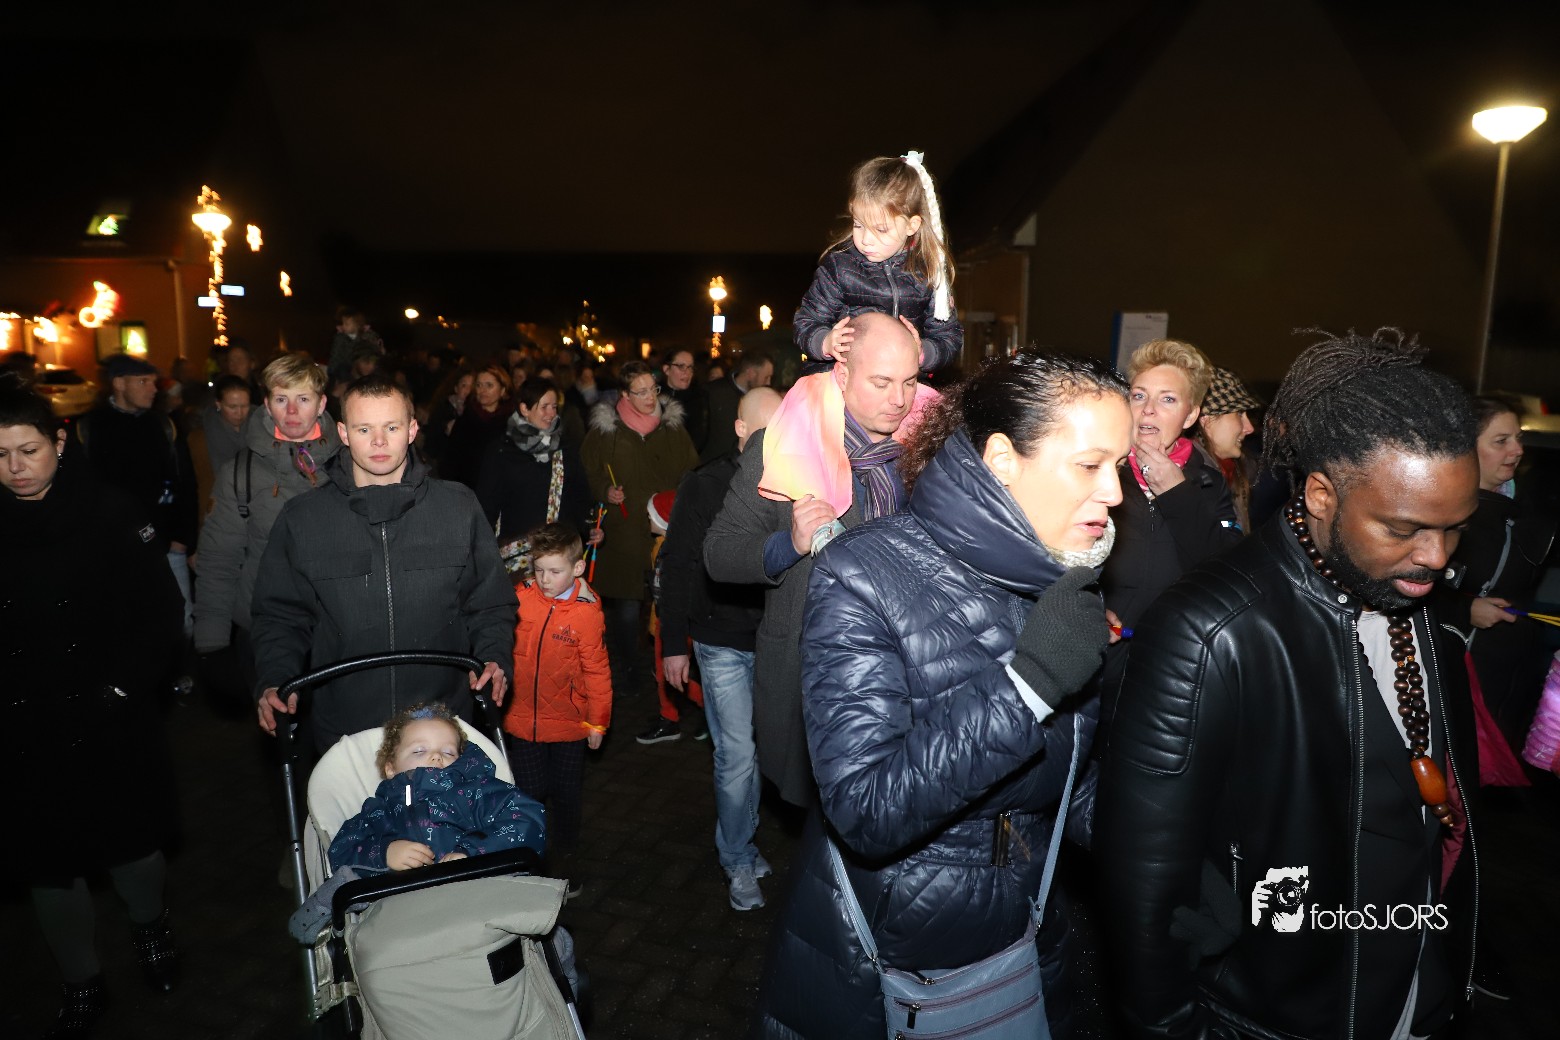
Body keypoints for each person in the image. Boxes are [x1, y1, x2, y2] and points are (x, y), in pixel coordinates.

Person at [1097, 329, 1482, 1040]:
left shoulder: (1413, 594)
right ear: (1321, 494)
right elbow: (1146, 882)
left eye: (1456, 529)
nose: (1436, 557)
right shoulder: (1211, 630)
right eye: (1404, 528)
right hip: (1270, 1016)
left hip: (1412, 990)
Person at [753, 351, 1131, 1037]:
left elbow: (1064, 776)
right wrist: (1027, 687)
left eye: (1120, 466)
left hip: (1024, 938)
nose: (1114, 492)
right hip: (898, 961)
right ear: (1003, 459)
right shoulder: (863, 572)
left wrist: (1163, 855)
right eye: (1089, 465)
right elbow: (865, 807)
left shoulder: (1062, 574)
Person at [0, 380, 185, 1035]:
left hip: (108, 715)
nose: (15, 467)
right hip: (25, 723)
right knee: (48, 866)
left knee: (132, 848)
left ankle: (150, 928)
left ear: (59, 442)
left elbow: (160, 612)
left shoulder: (110, 511)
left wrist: (121, 690)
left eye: (27, 450)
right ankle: (80, 976)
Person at [705, 312, 922, 807]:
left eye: (910, 382)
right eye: (881, 382)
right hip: (812, 678)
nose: (899, 399)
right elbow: (719, 553)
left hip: (905, 674)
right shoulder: (783, 445)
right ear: (841, 374)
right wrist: (791, 543)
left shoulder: (928, 451)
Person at [250, 373, 517, 753]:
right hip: (346, 732)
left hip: (442, 727)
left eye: (391, 427)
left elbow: (490, 603)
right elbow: (280, 615)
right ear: (343, 433)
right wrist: (276, 678)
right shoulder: (304, 519)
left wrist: (494, 657)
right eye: (364, 429)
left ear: (412, 430)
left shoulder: (458, 508)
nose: (378, 441)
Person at [657, 386, 781, 909]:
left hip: (775, 640)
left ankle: (743, 841)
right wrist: (673, 642)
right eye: (764, 429)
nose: (774, 440)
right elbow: (678, 562)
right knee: (736, 755)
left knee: (763, 752)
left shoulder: (795, 479)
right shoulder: (706, 482)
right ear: (740, 428)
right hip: (720, 640)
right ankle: (736, 856)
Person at [192, 354, 343, 696]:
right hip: (264, 632)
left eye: (303, 399)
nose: (292, 411)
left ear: (321, 404)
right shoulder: (240, 472)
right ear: (267, 405)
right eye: (281, 399)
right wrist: (212, 644)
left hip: (337, 632)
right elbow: (219, 559)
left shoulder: (349, 464)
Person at [1439, 394, 1557, 757]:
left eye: (1518, 438)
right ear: (1465, 447)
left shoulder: (1526, 508)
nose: (1517, 450)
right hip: (1452, 674)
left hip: (1506, 678)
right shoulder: (1438, 507)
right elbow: (1392, 595)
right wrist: (1465, 609)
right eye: (1501, 441)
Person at [1100, 338, 1241, 633]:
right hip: (1107, 647)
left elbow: (1225, 568)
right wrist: (1088, 606)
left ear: (1190, 416)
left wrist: (1177, 493)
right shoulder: (1099, 468)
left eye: (1167, 399)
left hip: (1176, 644)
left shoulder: (1209, 480)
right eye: (1139, 396)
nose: (1148, 409)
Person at [503, 523, 612, 895]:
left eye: (555, 571)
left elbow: (597, 671)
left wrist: (598, 722)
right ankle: (531, 858)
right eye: (538, 570)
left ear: (577, 568)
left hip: (568, 723)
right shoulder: (521, 597)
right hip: (522, 719)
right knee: (529, 792)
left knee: (566, 794)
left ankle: (566, 857)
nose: (545, 580)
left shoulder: (586, 613)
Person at [581, 359, 699, 700]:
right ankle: (631, 666)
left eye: (653, 390)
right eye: (641, 392)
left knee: (665, 602)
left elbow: (692, 473)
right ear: (624, 394)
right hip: (624, 531)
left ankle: (667, 668)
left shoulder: (672, 428)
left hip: (664, 529)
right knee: (628, 607)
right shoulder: (607, 432)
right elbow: (589, 472)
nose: (650, 398)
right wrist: (606, 490)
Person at [793, 152, 963, 374]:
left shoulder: (929, 273)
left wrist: (923, 353)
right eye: (858, 225)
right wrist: (825, 342)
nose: (866, 239)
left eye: (881, 229)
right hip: (841, 379)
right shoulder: (840, 267)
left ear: (912, 225)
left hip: (901, 381)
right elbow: (806, 321)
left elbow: (948, 337)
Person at [328, 702, 547, 873]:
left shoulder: (474, 792)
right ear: (390, 768)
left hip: (475, 889)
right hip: (402, 903)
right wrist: (384, 854)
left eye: (448, 752)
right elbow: (339, 852)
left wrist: (471, 853)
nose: (436, 756)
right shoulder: (377, 812)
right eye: (419, 751)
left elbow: (527, 818)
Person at [76, 354, 199, 638]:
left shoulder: (164, 425)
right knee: (124, 625)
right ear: (119, 383)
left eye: (154, 382)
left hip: (166, 546)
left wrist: (183, 539)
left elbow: (185, 483)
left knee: (180, 621)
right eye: (144, 382)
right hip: (111, 549)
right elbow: (79, 489)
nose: (154, 389)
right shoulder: (90, 428)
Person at [475, 378, 598, 563]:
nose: (551, 413)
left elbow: (579, 498)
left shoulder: (565, 450)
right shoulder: (502, 451)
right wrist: (481, 549)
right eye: (544, 407)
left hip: (558, 555)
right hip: (515, 556)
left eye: (554, 407)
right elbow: (487, 505)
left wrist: (589, 528)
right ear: (525, 409)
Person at [1193, 366, 1263, 535]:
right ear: (1206, 419)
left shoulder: (1235, 473)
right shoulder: (1191, 480)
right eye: (1239, 414)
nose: (1249, 428)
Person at [188, 374, 253, 516]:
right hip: (218, 509)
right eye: (232, 407)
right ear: (218, 404)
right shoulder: (200, 438)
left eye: (244, 406)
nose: (240, 413)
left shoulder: (262, 429)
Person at [442, 363, 512, 489]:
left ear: (502, 390)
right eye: (479, 385)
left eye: (489, 385)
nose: (482, 390)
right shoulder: (466, 418)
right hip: (464, 490)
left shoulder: (510, 423)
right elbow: (450, 460)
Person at [701, 348, 774, 463]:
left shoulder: (763, 400)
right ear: (750, 374)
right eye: (766, 377)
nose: (768, 383)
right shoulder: (713, 393)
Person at [422, 365, 474, 472]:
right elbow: (432, 435)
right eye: (464, 385)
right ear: (456, 388)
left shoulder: (473, 411)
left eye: (472, 386)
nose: (468, 390)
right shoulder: (444, 408)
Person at [660, 347, 709, 452]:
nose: (687, 373)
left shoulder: (698, 399)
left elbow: (698, 440)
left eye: (690, 367)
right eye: (681, 366)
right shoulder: (653, 396)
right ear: (666, 369)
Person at [327, 307, 384, 390]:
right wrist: (331, 371)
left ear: (357, 324)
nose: (343, 326)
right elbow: (335, 354)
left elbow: (375, 351)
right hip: (345, 366)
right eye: (343, 323)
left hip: (363, 365)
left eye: (347, 324)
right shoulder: (340, 338)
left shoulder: (368, 336)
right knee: (342, 370)